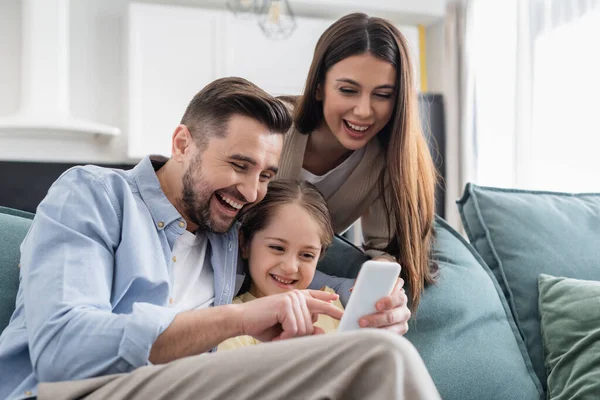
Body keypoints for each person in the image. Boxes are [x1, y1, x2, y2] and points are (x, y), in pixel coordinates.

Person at [0, 76, 441, 400]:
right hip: (77, 389)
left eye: (266, 175)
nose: (251, 193)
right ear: (181, 144)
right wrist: (239, 318)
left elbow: (293, 268)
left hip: (189, 386)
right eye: (238, 164)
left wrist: (372, 304)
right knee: (382, 359)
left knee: (368, 354)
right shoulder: (93, 195)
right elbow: (62, 350)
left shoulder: (227, 234)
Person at [278, 13, 438, 314]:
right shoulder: (273, 128)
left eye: (383, 95)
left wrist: (383, 286)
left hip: (294, 287)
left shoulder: (387, 161)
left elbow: (386, 249)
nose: (364, 111)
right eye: (348, 90)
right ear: (319, 87)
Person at [218, 179, 345, 351]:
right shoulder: (232, 321)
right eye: (277, 248)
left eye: (307, 255)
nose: (291, 267)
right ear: (244, 244)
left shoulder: (332, 305)